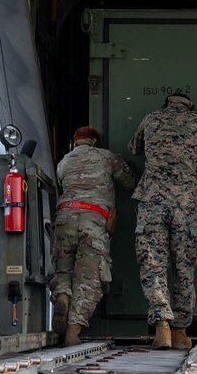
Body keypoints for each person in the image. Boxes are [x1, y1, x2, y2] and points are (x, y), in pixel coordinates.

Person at [130, 90, 197, 350]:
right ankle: (181, 332)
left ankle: (162, 329)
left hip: (152, 204)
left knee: (153, 266)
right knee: (184, 268)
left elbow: (134, 148)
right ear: (190, 106)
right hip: (187, 206)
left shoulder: (150, 119)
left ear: (166, 104)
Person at [49, 125, 136, 346]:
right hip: (93, 220)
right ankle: (73, 331)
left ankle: (62, 296)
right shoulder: (107, 157)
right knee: (89, 277)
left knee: (63, 268)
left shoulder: (64, 162)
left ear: (75, 142)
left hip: (65, 217)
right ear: (95, 141)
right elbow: (130, 181)